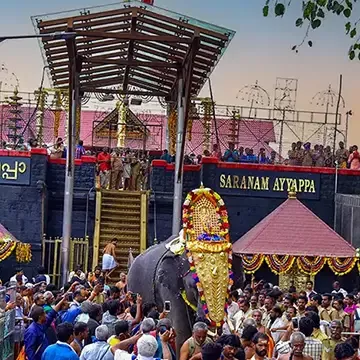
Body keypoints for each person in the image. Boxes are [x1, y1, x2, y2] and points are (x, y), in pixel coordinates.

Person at [24, 296, 66, 360]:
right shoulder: (31, 331)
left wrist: (63, 300)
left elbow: (52, 312)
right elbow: (30, 351)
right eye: (44, 314)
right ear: (40, 317)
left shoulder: (43, 324)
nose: (46, 315)